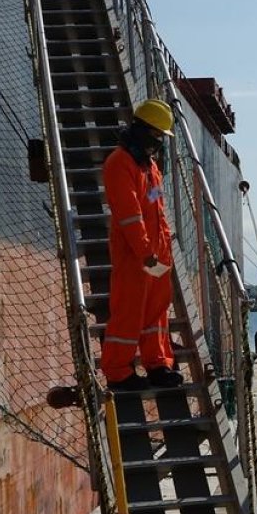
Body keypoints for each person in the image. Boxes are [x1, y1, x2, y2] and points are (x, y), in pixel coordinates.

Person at [100, 99, 183, 391]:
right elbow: (130, 216)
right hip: (136, 257)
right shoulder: (119, 164)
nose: (159, 142)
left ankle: (158, 364)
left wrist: (161, 252)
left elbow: (156, 208)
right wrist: (146, 253)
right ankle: (118, 371)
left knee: (156, 312)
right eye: (157, 135)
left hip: (157, 254)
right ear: (144, 131)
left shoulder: (150, 168)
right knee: (129, 310)